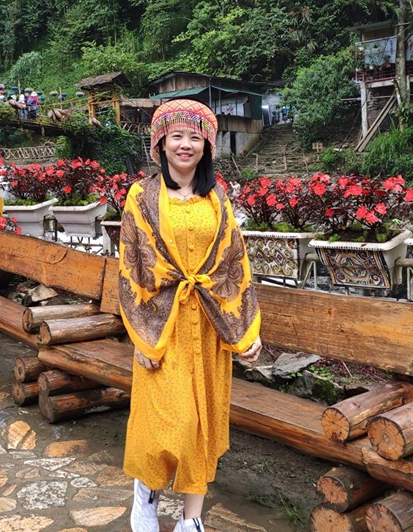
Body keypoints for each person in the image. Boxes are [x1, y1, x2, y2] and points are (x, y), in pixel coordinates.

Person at [117, 99, 262, 532]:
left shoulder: (216, 197)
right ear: (160, 143)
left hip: (208, 327)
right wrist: (143, 338)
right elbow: (132, 268)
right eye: (176, 136)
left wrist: (245, 329)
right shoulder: (141, 197)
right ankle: (146, 493)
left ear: (207, 145)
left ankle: (190, 522)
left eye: (194, 137)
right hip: (161, 325)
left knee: (200, 426)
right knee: (166, 423)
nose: (185, 145)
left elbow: (235, 263)